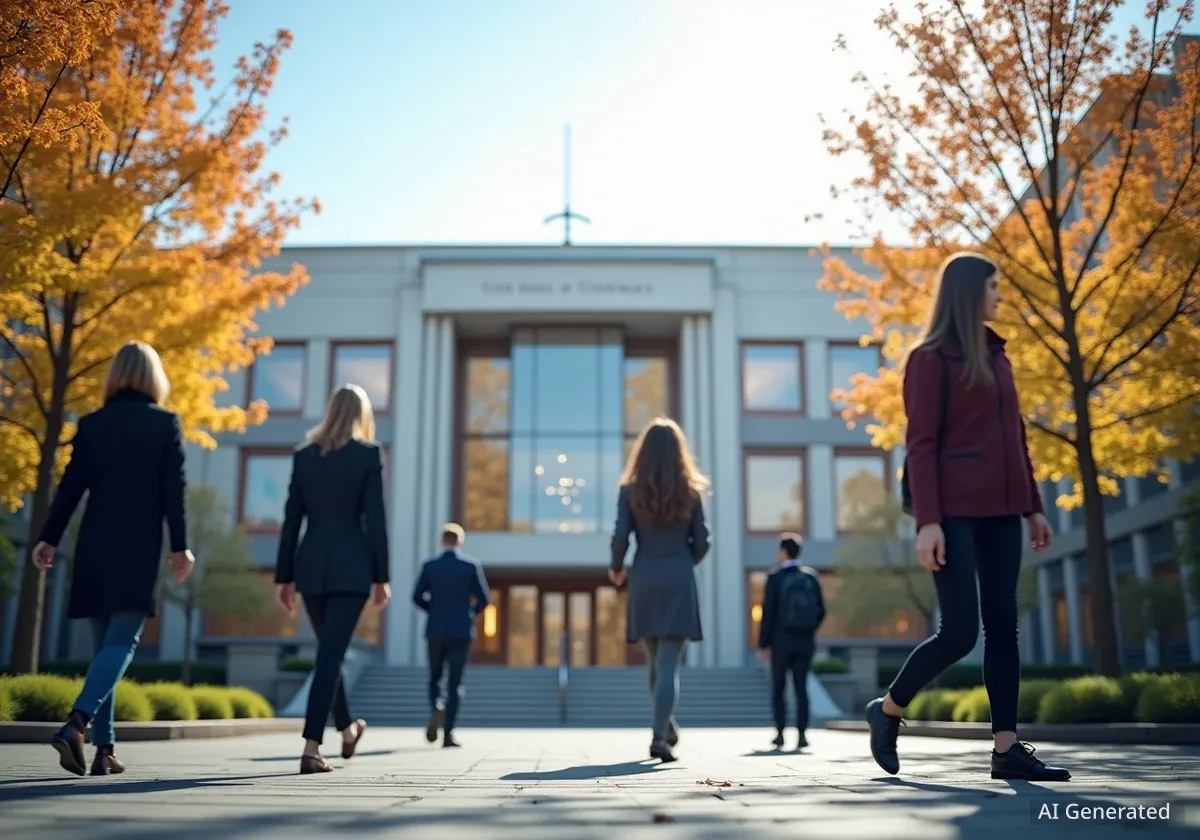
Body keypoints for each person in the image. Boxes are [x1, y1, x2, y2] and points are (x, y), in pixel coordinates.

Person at [865, 252, 1068, 782]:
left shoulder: (998, 357)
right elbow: (921, 444)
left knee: (1004, 626)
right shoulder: (929, 359)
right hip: (953, 512)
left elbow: (1016, 438)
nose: (1000, 296)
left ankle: (1006, 749)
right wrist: (927, 521)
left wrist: (1034, 507)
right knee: (958, 633)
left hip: (1003, 511)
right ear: (968, 291)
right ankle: (887, 710)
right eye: (994, 287)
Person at [33, 341, 194, 777]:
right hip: (138, 543)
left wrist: (49, 538)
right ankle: (77, 724)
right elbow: (172, 492)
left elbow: (70, 488)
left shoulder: (92, 424)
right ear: (155, 377)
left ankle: (105, 752)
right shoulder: (164, 425)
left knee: (107, 644)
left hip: (94, 542)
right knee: (124, 640)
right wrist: (181, 546)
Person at [274, 384, 391, 775]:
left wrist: (284, 576)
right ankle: (311, 747)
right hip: (353, 569)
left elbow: (292, 520)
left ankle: (347, 727)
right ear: (361, 415)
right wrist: (381, 577)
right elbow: (375, 521)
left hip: (311, 568)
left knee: (329, 651)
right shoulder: (368, 455)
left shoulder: (305, 456)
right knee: (330, 654)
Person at [610, 417, 711, 763]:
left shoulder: (629, 491)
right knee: (668, 664)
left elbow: (621, 536)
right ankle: (661, 735)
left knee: (653, 664)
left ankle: (663, 728)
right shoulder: (692, 491)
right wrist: (684, 563)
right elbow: (703, 541)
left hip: (645, 577)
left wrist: (616, 569)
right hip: (679, 576)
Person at [411, 522, 490, 748]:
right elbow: (484, 599)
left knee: (435, 676)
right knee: (455, 683)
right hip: (461, 630)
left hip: (435, 629)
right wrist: (469, 614)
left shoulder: (430, 566)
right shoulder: (470, 566)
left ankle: (436, 705)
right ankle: (448, 734)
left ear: (441, 542)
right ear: (460, 542)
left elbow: (416, 596)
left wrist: (433, 610)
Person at [757, 533, 825, 750]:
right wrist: (810, 630)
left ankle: (780, 734)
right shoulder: (811, 576)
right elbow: (821, 610)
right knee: (801, 687)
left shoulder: (776, 577)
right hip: (805, 642)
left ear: (783, 551)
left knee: (779, 687)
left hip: (780, 642)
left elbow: (768, 612)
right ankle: (803, 734)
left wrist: (763, 643)